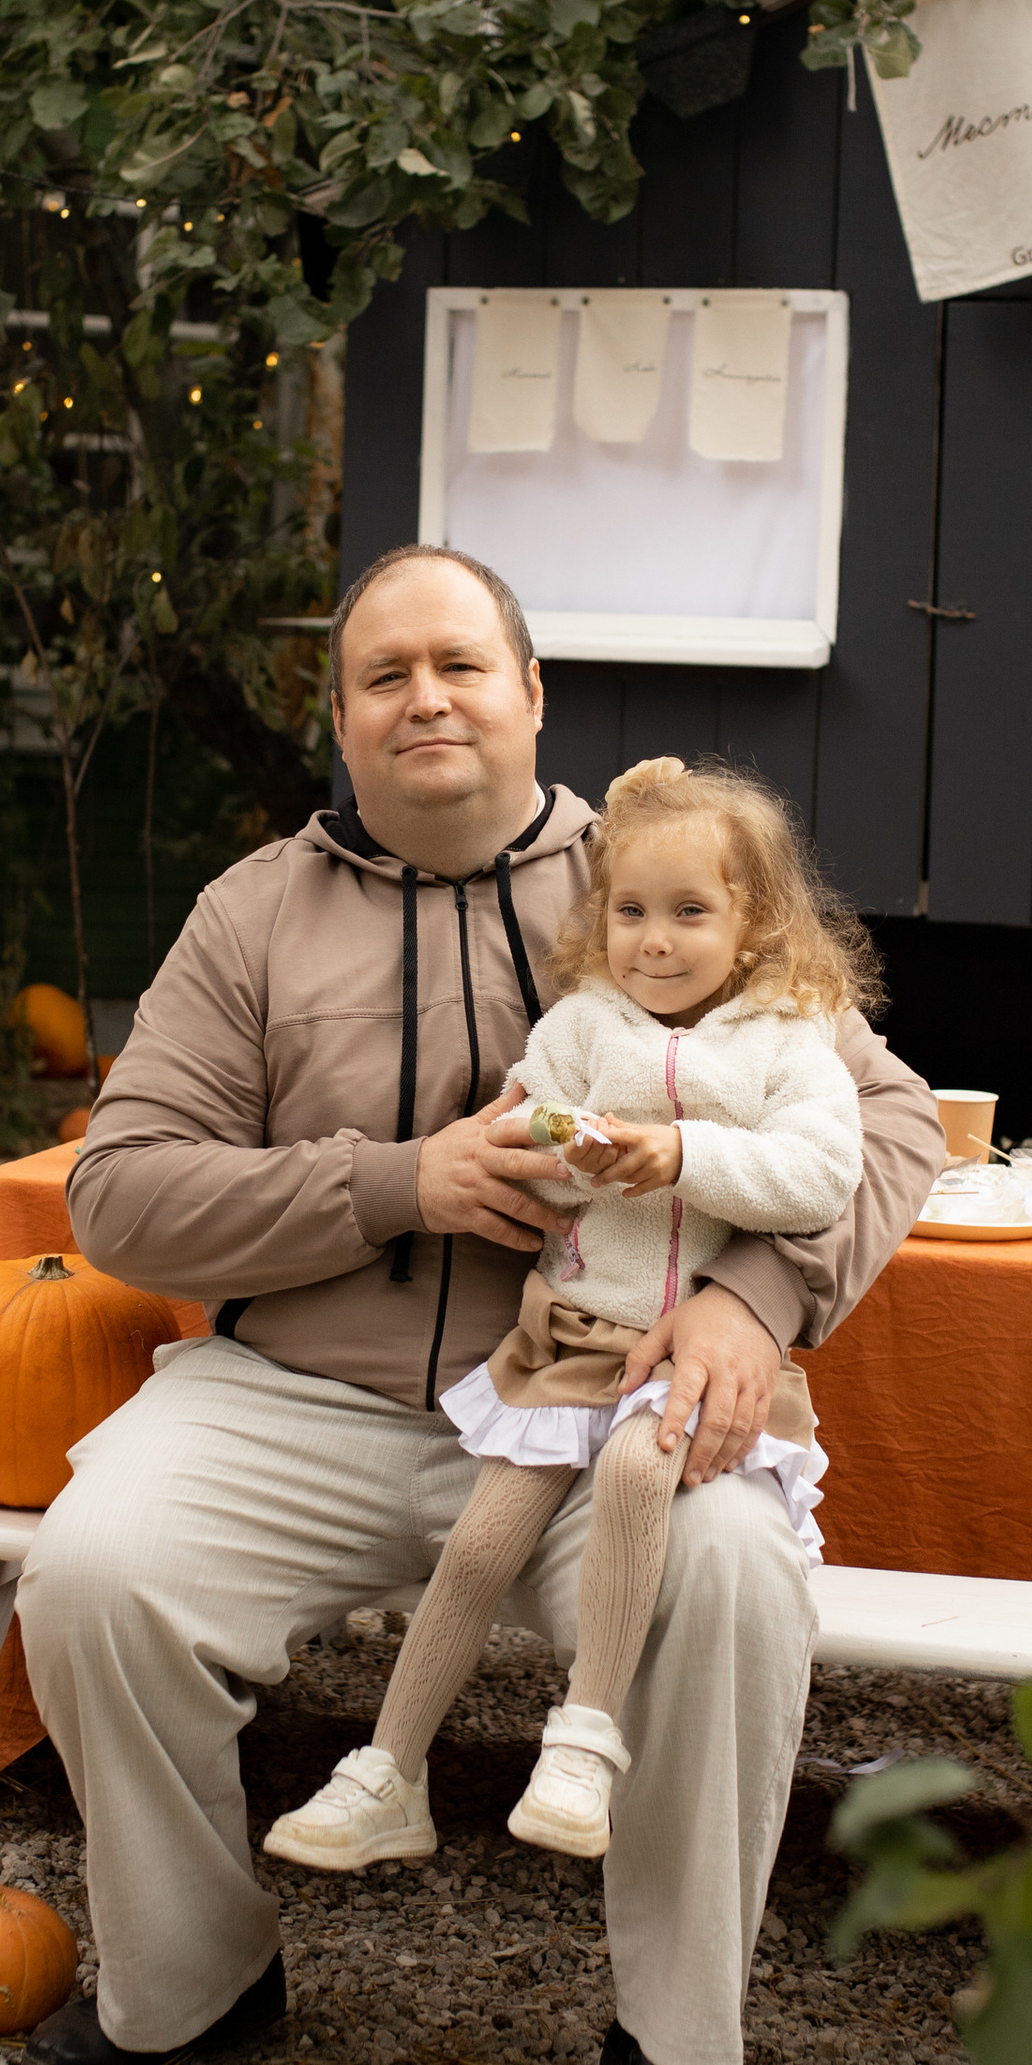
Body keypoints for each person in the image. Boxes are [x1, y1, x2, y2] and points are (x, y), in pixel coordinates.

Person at [15, 542, 941, 2065]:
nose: (425, 697)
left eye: (461, 663)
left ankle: (674, 2059)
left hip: (602, 1407)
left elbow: (885, 1127)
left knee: (734, 1578)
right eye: (385, 675)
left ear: (531, 696)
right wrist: (395, 1182)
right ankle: (194, 1978)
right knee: (92, 1569)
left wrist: (760, 1297)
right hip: (310, 1396)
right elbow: (122, 1192)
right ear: (345, 722)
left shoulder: (668, 877)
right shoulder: (253, 915)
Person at [264, 754, 865, 1874]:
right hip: (570, 1339)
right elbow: (531, 1154)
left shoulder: (794, 1039)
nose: (655, 940)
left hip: (683, 1359)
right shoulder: (587, 1029)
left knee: (641, 1474)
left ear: (755, 923)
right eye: (632, 912)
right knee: (484, 1538)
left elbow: (822, 1178)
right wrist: (558, 1148)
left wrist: (680, 1154)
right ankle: (388, 1771)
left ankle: (584, 1740)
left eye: (691, 913)